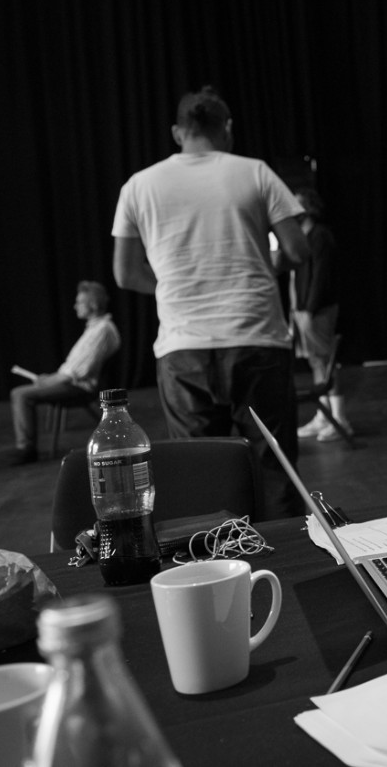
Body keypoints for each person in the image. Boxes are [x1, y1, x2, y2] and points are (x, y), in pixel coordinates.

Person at [112, 86, 310, 519]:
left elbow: (125, 273)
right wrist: (256, 267)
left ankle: (220, 575)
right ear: (228, 129)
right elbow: (296, 251)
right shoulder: (255, 172)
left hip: (184, 349)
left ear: (177, 132)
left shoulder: (138, 185)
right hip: (256, 338)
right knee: (274, 470)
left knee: (202, 476)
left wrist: (172, 286)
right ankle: (289, 577)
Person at [4, 281, 120, 466]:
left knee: (20, 394)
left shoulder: (102, 330)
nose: (75, 306)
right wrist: (49, 379)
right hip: (70, 382)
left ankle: (26, 449)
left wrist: (50, 381)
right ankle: (25, 446)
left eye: (79, 302)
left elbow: (79, 372)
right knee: (22, 392)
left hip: (78, 387)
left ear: (93, 304)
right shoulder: (94, 328)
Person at [290, 187, 353, 441]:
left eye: (299, 205)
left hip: (317, 310)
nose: (293, 210)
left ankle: (340, 420)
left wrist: (310, 309)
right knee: (316, 362)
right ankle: (323, 417)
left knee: (325, 363)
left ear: (310, 208)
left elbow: (321, 277)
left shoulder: (320, 235)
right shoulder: (301, 236)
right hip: (303, 311)